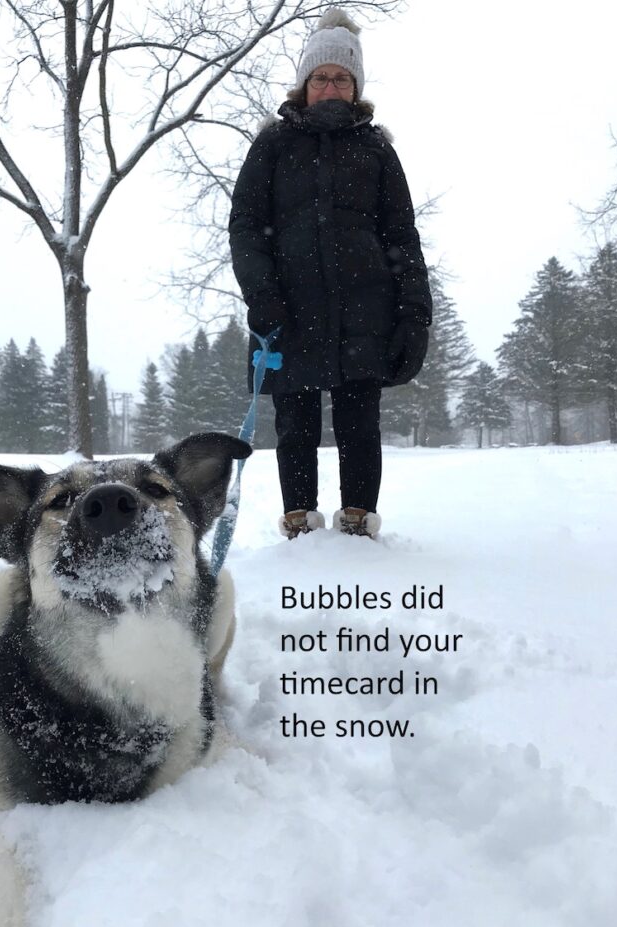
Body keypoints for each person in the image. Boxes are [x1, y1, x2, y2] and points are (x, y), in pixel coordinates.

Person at [229, 9, 432, 539]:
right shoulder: (271, 146)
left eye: (341, 77)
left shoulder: (377, 151)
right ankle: (299, 519)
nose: (331, 86)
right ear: (304, 84)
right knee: (294, 420)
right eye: (320, 77)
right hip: (287, 310)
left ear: (356, 85)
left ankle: (359, 519)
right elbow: (246, 228)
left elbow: (402, 237)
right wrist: (262, 294)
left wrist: (415, 317)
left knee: (359, 420)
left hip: (366, 310)